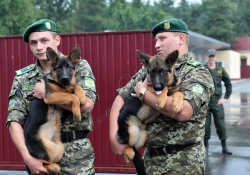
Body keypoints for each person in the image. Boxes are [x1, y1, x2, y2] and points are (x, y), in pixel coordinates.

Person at [109, 18, 214, 174]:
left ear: (181, 38)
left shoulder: (197, 72)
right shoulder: (152, 66)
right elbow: (119, 100)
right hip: (150, 162)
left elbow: (184, 111)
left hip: (183, 163)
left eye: (162, 38)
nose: (156, 44)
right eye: (156, 40)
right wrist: (114, 137)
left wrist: (143, 94)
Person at [6, 19, 98, 175]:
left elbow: (87, 105)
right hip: (41, 154)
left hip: (77, 156)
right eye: (33, 43)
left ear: (57, 40)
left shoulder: (79, 66)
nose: (39, 47)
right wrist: (28, 158)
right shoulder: (23, 77)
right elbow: (14, 120)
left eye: (44, 40)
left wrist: (45, 94)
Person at [204, 49, 233, 155]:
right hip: (206, 101)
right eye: (209, 56)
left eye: (213, 56)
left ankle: (224, 147)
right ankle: (205, 148)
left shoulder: (220, 69)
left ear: (216, 57)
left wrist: (226, 97)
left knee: (220, 125)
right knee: (205, 126)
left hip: (217, 100)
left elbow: (228, 83)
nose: (211, 58)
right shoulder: (203, 69)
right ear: (207, 57)